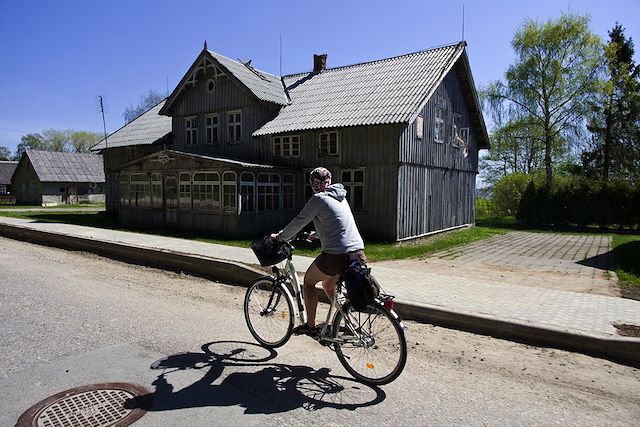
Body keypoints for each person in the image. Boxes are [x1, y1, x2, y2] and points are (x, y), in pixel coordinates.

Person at [273, 167, 366, 336]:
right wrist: (317, 234)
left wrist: (279, 237)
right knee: (329, 285)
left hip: (336, 256)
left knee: (308, 282)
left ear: (313, 184)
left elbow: (299, 221)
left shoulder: (318, 199)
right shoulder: (340, 197)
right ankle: (350, 322)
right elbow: (337, 223)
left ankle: (310, 326)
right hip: (357, 253)